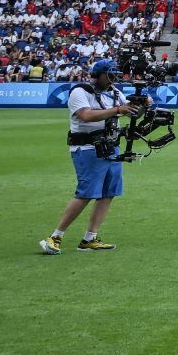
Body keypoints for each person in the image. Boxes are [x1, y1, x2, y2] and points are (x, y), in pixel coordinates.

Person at [43, 58, 130, 254]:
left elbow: (130, 112)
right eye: (109, 74)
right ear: (98, 75)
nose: (113, 78)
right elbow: (86, 115)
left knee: (108, 193)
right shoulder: (80, 92)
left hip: (111, 146)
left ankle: (90, 238)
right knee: (86, 193)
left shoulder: (115, 92)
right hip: (88, 147)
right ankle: (55, 236)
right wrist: (118, 110)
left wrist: (142, 106)